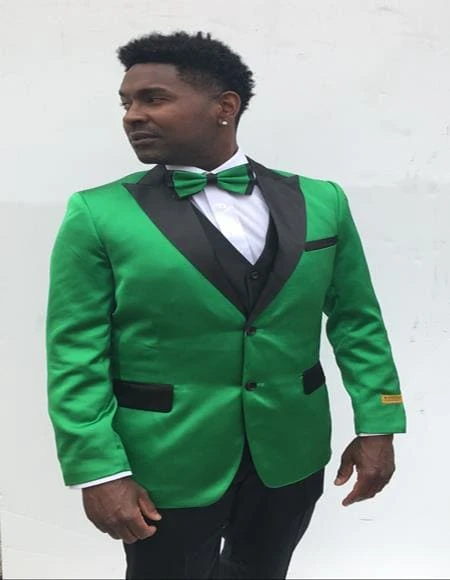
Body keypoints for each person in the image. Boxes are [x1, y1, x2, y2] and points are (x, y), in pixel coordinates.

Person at [46, 31, 406, 580]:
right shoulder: (98, 214)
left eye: (153, 99)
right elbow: (74, 353)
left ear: (225, 107)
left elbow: (358, 321)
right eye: (126, 103)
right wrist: (97, 470)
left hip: (291, 448)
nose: (133, 116)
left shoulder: (321, 201)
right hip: (165, 458)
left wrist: (378, 422)